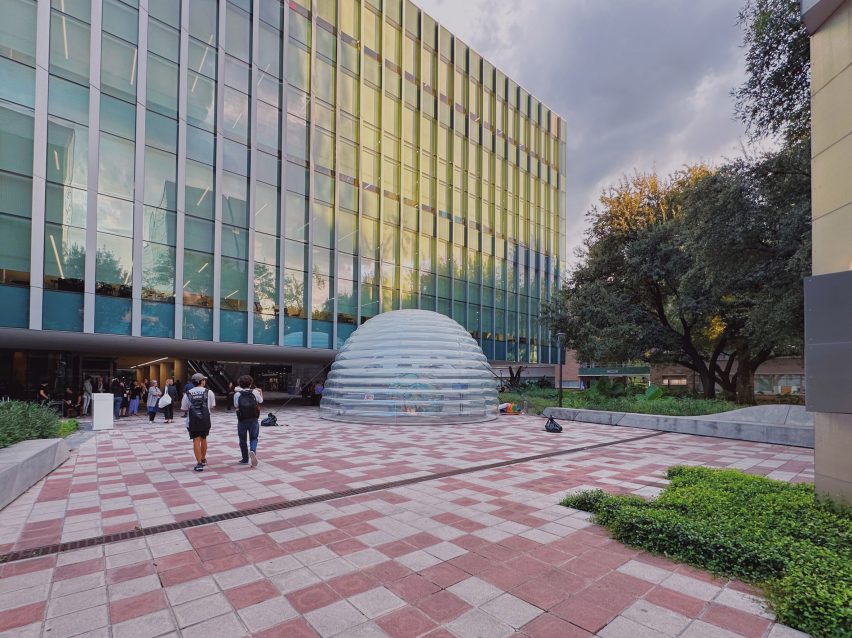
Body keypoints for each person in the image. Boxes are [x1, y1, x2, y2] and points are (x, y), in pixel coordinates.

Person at [181, 373, 215, 472]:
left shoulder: (188, 393)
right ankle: (203, 459)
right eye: (204, 380)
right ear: (201, 381)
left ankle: (199, 463)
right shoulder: (209, 392)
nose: (204, 381)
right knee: (204, 438)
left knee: (196, 440)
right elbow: (212, 405)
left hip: (192, 420)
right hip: (205, 419)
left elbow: (184, 408)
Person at [233, 375, 263, 467]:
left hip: (242, 419)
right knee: (254, 438)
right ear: (250, 383)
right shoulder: (255, 392)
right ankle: (252, 451)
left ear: (240, 384)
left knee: (242, 439)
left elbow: (236, 405)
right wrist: (260, 392)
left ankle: (245, 459)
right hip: (254, 418)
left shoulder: (237, 394)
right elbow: (261, 401)